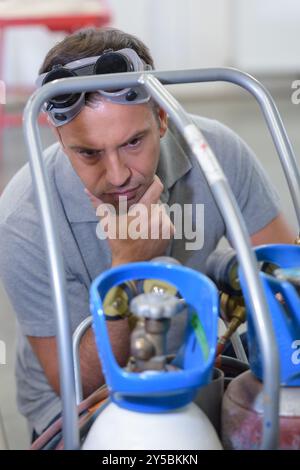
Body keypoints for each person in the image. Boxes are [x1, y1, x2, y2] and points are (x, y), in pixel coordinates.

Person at [0, 27, 295, 440]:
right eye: (89, 153)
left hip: (199, 358)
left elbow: (285, 278)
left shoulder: (215, 152)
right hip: (81, 403)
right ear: (60, 139)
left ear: (161, 118)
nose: (118, 175)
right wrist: (129, 267)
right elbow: (81, 383)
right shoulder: (25, 217)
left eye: (133, 142)